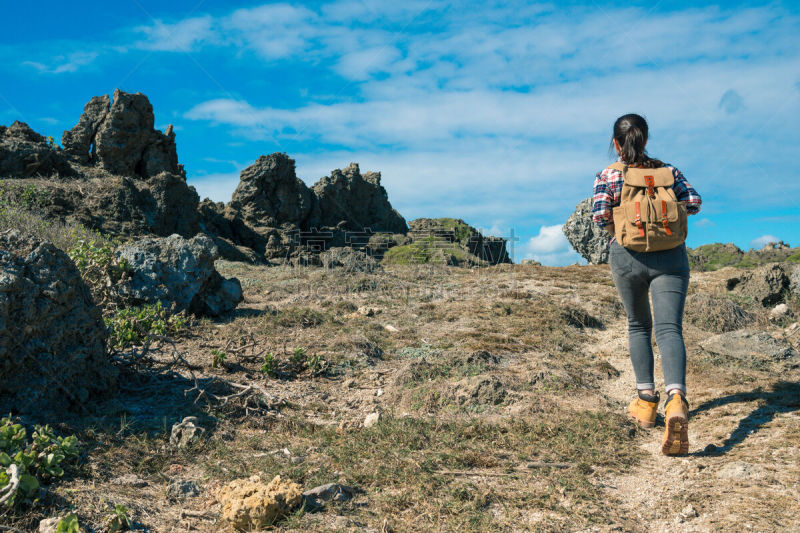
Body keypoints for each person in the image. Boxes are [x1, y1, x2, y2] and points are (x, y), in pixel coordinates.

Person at [591, 113, 702, 456]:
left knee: (638, 325)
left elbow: (598, 216)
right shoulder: (669, 172)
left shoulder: (608, 174)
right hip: (671, 257)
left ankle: (645, 404)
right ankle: (677, 400)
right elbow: (694, 202)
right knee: (670, 330)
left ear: (616, 142)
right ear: (646, 140)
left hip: (626, 257)